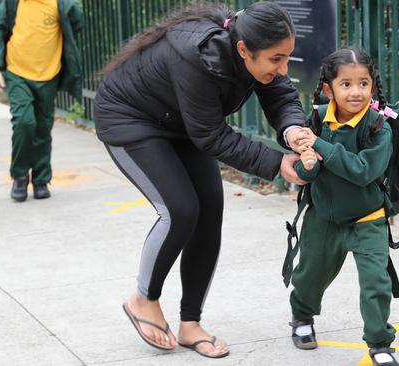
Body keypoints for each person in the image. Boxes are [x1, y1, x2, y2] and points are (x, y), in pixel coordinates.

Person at [93, 2, 309, 358]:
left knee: (209, 211)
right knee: (179, 210)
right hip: (131, 119)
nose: (283, 68)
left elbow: (281, 95)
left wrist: (292, 130)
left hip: (182, 123)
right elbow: (211, 135)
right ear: (243, 50)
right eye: (276, 60)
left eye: (287, 57)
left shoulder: (254, 46)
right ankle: (143, 299)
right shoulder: (195, 57)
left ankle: (190, 324)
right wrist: (276, 163)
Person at [286, 47, 399, 366]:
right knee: (311, 275)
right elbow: (307, 172)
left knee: (376, 283)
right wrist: (307, 165)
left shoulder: (379, 127)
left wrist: (319, 145)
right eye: (346, 84)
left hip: (368, 219)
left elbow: (364, 171)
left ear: (373, 87)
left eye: (363, 83)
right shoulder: (319, 120)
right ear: (328, 88)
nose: (356, 92)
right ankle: (302, 317)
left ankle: (380, 343)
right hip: (324, 217)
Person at [0, 0, 84, 201]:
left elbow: (78, 23)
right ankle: (20, 175)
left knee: (43, 128)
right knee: (24, 122)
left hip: (49, 74)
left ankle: (41, 179)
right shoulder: (13, 4)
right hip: (17, 73)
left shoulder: (59, 4)